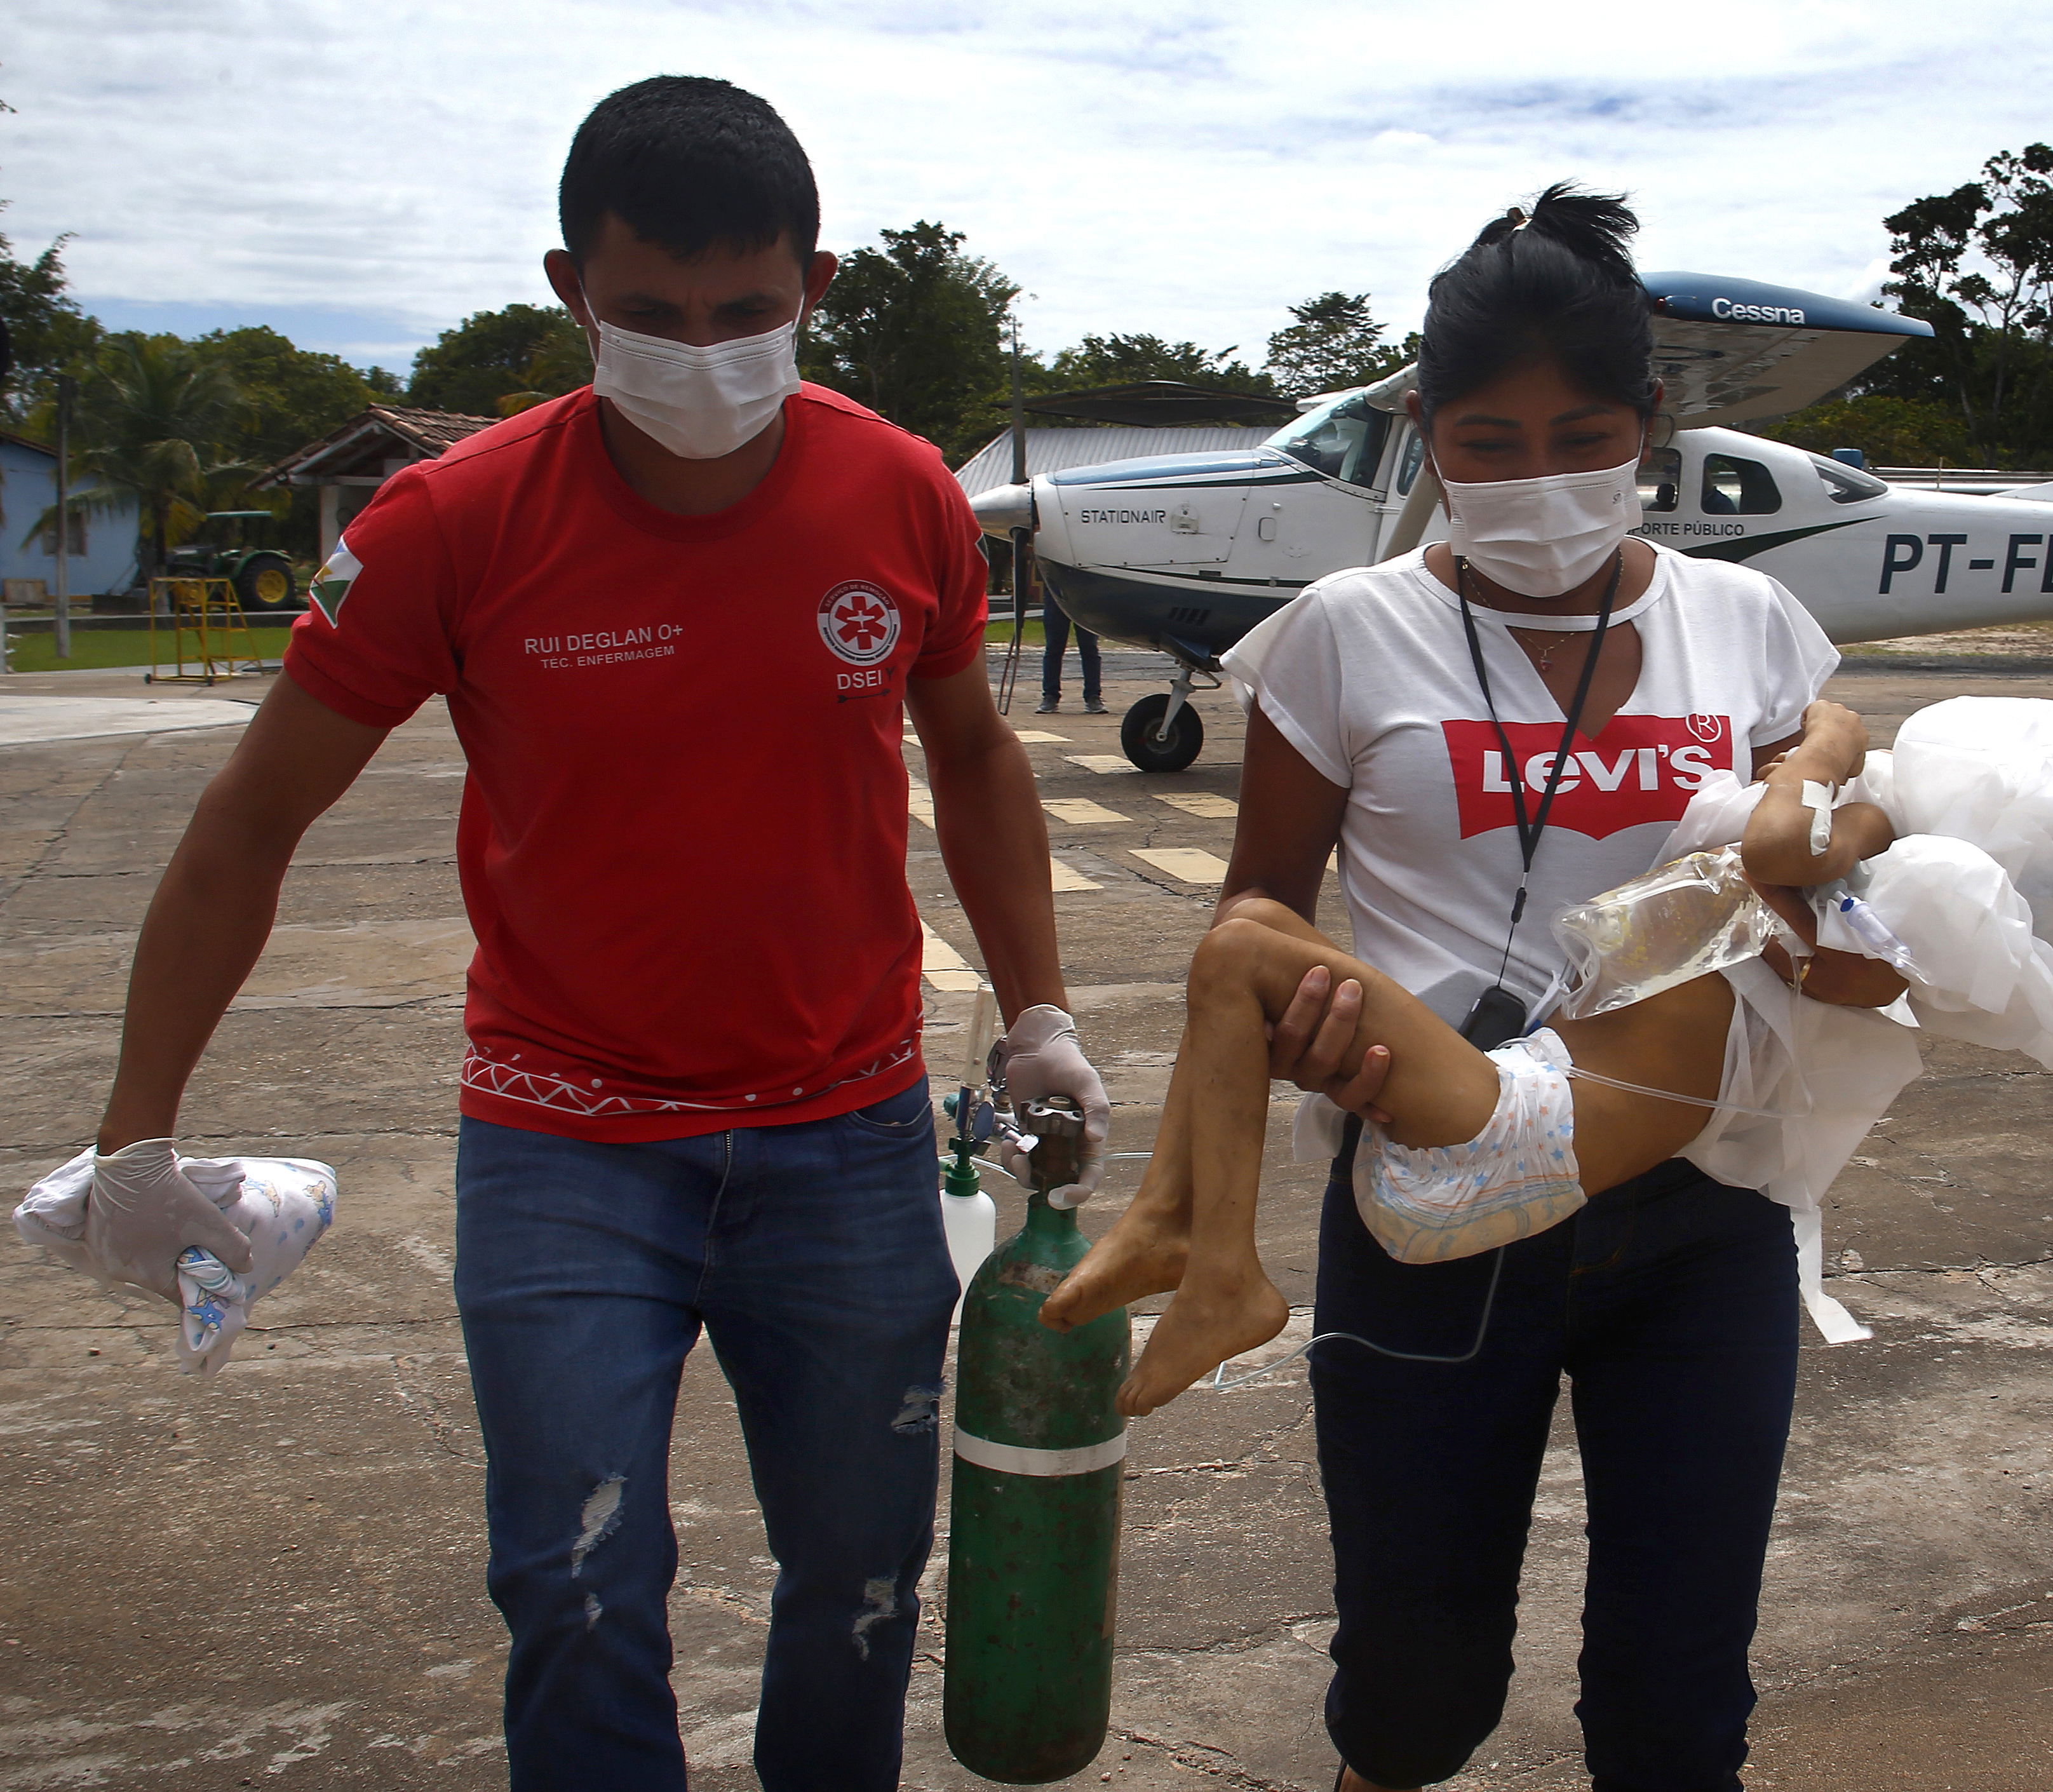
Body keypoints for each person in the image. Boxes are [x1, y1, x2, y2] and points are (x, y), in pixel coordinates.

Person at [62, 77, 1108, 1791]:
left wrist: (1038, 1012)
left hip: (843, 1135)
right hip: (563, 1139)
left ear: (815, 286)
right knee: (572, 1581)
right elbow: (251, 817)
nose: (703, 354)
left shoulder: (901, 493)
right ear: (572, 293)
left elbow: (977, 757)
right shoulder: (452, 523)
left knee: (860, 1577)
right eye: (650, 316)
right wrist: (136, 1128)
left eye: (747, 315)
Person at [1212, 185, 1909, 1792]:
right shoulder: (1340, 635)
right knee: (1407, 1692)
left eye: (1581, 436)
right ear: (1426, 431)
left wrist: (1868, 937)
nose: (1537, 479)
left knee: (1678, 1707)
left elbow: (1818, 874)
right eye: (1490, 441)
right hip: (1431, 1192)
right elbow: (1262, 903)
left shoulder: (1749, 628)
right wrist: (1301, 1011)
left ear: (1650, 427)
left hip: (1706, 1202)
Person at [1042, 707, 1893, 1417]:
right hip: (1501, 1099)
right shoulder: (1805, 902)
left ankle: (1220, 1269)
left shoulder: (1875, 880)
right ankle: (1166, 1222)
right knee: (1242, 945)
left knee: (1233, 962)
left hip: (1512, 1139)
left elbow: (1785, 842)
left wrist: (1830, 741)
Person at [1037, 584, 1104, 713]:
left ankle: (1093, 696)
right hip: (1056, 592)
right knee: (1054, 648)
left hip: (1085, 595)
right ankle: (1050, 695)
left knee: (1090, 648)